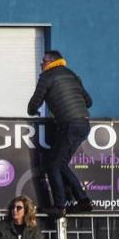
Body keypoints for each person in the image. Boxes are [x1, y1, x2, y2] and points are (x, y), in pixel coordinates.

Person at [27, 50, 94, 216]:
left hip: (69, 125)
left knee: (52, 165)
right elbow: (89, 102)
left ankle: (59, 206)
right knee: (59, 163)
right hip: (83, 124)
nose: (41, 64)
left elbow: (34, 104)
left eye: (43, 61)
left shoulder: (47, 77)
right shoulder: (72, 75)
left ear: (51, 62)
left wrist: (34, 110)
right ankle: (83, 201)